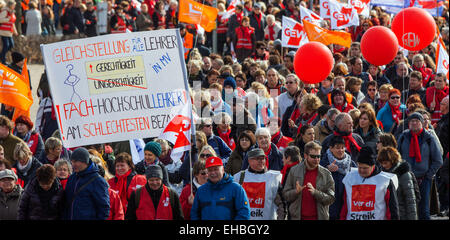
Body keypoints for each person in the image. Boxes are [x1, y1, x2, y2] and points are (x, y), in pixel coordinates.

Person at [397, 112, 443, 220]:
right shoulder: (403, 137)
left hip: (424, 179)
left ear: (422, 123)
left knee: (424, 210)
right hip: (406, 178)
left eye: (417, 121)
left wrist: (429, 175)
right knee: (407, 209)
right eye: (412, 121)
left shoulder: (429, 138)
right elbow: (397, 156)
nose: (414, 123)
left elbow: (438, 160)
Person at [340, 146, 399, 220]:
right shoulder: (350, 178)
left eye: (365, 168)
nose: (361, 170)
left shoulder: (385, 180)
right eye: (359, 167)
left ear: (373, 166)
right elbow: (344, 204)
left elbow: (392, 208)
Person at [282, 141, 335, 220]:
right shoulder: (294, 171)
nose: (317, 159)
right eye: (313, 156)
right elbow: (285, 195)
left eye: (319, 156)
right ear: (305, 156)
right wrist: (296, 192)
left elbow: (331, 199)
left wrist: (315, 193)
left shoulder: (326, 174)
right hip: (297, 217)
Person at [233, 148, 283, 220]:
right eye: (257, 159)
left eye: (263, 158)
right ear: (249, 161)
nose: (261, 161)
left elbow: (281, 204)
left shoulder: (274, 177)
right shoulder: (239, 177)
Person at [64, 147, 110, 220]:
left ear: (84, 161)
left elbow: (104, 208)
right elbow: (66, 203)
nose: (73, 164)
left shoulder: (98, 181)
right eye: (72, 161)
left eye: (75, 161)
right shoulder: (71, 178)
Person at [320, 136, 356, 220]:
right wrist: (327, 168)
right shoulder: (324, 162)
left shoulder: (351, 163)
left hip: (347, 202)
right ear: (331, 148)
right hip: (330, 204)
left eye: (342, 147)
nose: (340, 150)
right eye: (337, 148)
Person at [377, 147, 418, 220]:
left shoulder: (404, 175)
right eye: (382, 163)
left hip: (402, 215)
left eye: (385, 163)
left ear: (392, 160)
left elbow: (410, 200)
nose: (383, 165)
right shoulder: (382, 174)